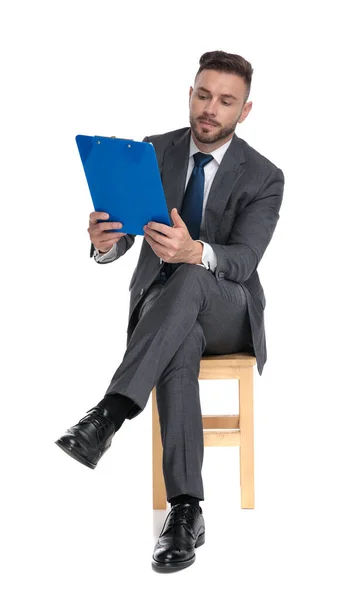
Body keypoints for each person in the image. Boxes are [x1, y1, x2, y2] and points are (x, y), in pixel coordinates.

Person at [55, 50, 285, 572]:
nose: (211, 109)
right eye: (203, 95)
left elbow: (245, 259)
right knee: (177, 341)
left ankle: (109, 415)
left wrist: (194, 252)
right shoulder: (154, 151)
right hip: (164, 316)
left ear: (244, 111)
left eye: (226, 101)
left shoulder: (265, 176)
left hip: (227, 309)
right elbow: (124, 238)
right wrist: (104, 242)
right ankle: (186, 512)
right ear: (190, 94)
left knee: (190, 275)